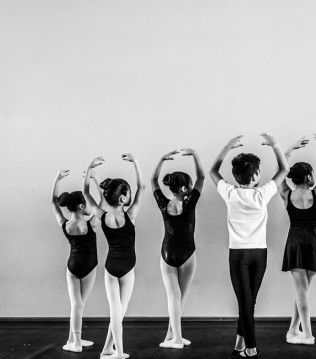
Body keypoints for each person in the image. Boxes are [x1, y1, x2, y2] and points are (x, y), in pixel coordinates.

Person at [210, 134, 289, 358]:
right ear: (255, 175)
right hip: (259, 254)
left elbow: (213, 172)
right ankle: (249, 349)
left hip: (238, 254)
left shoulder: (230, 193)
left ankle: (241, 346)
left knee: (246, 302)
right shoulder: (262, 194)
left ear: (236, 177)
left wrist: (227, 146)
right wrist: (275, 144)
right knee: (248, 301)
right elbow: (284, 169)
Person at [82, 154, 146, 359]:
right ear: (123, 198)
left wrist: (90, 170)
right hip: (128, 267)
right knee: (120, 311)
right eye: (127, 193)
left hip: (111, 267)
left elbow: (85, 193)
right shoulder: (131, 215)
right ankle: (118, 353)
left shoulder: (102, 216)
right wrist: (136, 161)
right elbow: (142, 187)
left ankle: (107, 349)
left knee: (115, 311)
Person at [279, 134, 316, 345]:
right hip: (314, 240)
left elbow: (279, 171)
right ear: (307, 178)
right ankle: (306, 334)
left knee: (302, 291)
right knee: (303, 291)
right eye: (312, 174)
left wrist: (290, 149)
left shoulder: (286, 193)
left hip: (295, 241)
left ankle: (294, 330)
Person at [151, 148, 205, 349]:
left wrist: (161, 159)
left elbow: (153, 181)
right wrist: (195, 155)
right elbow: (202, 176)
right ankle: (177, 339)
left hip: (167, 254)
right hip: (187, 254)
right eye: (189, 184)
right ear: (184, 189)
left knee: (175, 298)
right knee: (178, 297)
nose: (193, 186)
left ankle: (171, 335)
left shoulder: (164, 204)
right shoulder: (190, 203)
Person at [51, 169, 103, 353]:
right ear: (82, 206)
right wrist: (96, 180)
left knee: (77, 304)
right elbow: (102, 202)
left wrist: (57, 179)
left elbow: (53, 202)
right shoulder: (91, 223)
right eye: (87, 203)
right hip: (89, 266)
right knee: (79, 304)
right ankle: (77, 343)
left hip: (72, 266)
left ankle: (72, 338)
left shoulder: (65, 224)